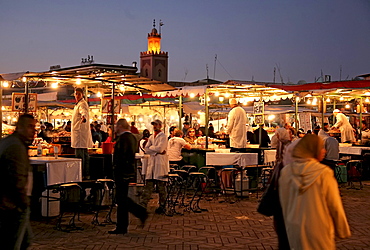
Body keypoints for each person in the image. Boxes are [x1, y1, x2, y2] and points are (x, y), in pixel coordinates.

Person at [279, 134, 351, 249]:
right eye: (321, 147)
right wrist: (342, 230)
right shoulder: (323, 173)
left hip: (294, 228)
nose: (324, 151)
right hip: (319, 227)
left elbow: (285, 203)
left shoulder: (286, 172)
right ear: (313, 150)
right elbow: (334, 205)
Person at [0, 114, 36, 249]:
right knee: (14, 242)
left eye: (34, 127)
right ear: (19, 127)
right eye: (30, 126)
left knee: (25, 240)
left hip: (12, 203)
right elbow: (17, 180)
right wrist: (23, 203)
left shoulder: (11, 142)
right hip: (12, 205)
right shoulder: (16, 147)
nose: (33, 130)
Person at [108, 119, 147, 235]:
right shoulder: (131, 138)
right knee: (121, 198)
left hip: (122, 171)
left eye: (116, 126)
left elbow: (123, 156)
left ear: (120, 126)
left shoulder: (125, 138)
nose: (115, 128)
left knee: (121, 199)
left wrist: (117, 168)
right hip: (126, 171)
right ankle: (124, 224)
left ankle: (136, 214)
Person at [140, 120, 169, 214]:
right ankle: (143, 205)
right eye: (153, 125)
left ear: (160, 126)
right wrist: (155, 150)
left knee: (161, 187)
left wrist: (152, 149)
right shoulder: (152, 137)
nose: (154, 126)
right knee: (148, 186)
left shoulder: (163, 137)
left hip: (160, 163)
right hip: (152, 163)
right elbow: (146, 149)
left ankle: (162, 206)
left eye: (156, 124)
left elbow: (160, 148)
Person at [71, 88, 93, 179]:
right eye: (76, 94)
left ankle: (81, 174)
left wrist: (84, 118)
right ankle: (85, 174)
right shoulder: (78, 104)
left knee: (80, 156)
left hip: (80, 134)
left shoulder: (82, 104)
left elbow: (83, 112)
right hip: (80, 134)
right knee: (84, 155)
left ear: (82, 95)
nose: (77, 96)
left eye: (79, 94)